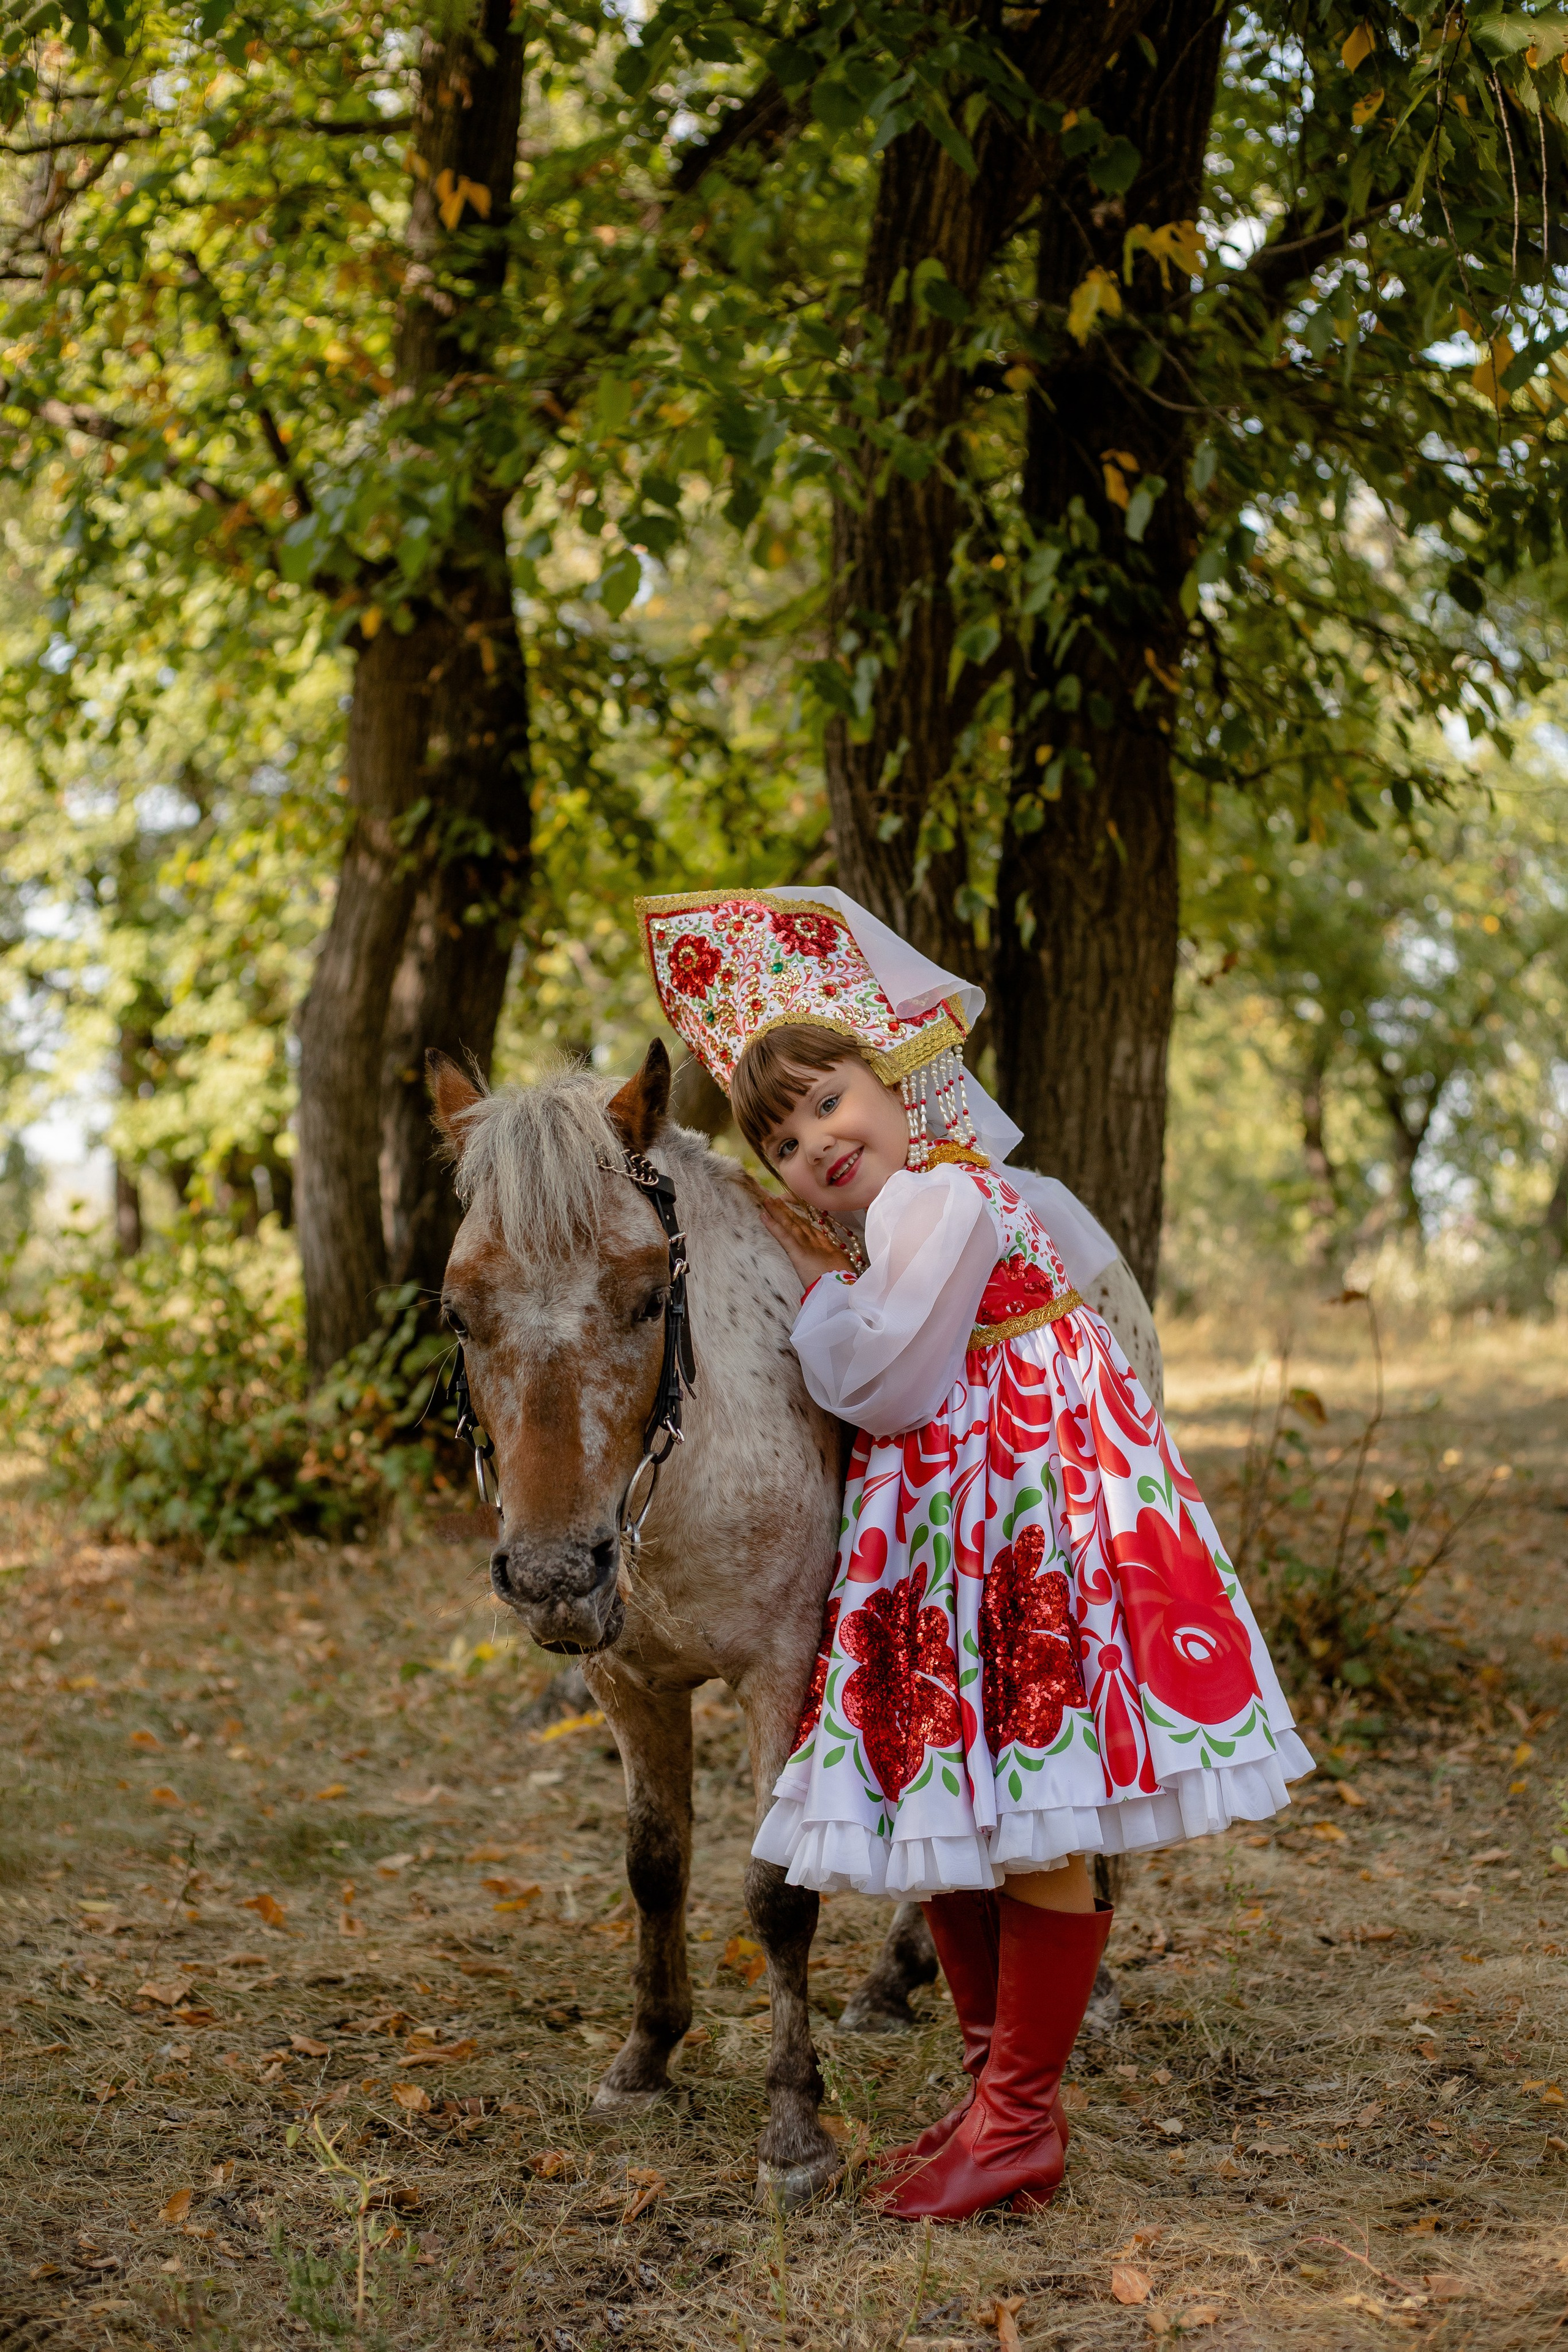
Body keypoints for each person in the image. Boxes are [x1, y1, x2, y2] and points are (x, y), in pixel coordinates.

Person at [639, 886, 1313, 2223]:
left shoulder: (940, 1204)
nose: (811, 1141)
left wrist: (825, 1316)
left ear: (895, 1080)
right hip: (956, 1520)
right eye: (778, 1138)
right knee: (960, 1808)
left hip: (1020, 1515)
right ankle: (986, 2093)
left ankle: (1018, 2118)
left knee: (1029, 1807)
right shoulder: (902, 1216)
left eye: (827, 1101)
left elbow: (878, 1383)